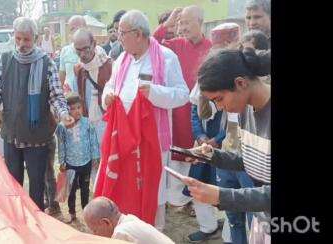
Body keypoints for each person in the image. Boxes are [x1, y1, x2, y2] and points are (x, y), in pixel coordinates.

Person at [96, 10, 190, 231]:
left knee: (153, 192)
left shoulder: (166, 58)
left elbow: (182, 94)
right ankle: (127, 230)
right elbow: (111, 85)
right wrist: (107, 96)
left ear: (138, 34)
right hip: (124, 138)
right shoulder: (122, 59)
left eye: (122, 33)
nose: (119, 38)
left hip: (152, 141)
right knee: (125, 187)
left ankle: (153, 232)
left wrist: (154, 92)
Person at [0, 17, 75, 211]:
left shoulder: (46, 63)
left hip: (37, 139)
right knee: (13, 186)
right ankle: (18, 226)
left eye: (26, 39)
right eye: (18, 39)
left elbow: (56, 96)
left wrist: (64, 113)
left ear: (35, 38)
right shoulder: (5, 59)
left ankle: (37, 227)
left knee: (36, 188)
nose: (22, 44)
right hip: (12, 136)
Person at [183, 47, 271, 244]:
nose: (220, 107)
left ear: (240, 83)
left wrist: (221, 196)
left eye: (219, 99)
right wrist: (212, 155)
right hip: (262, 221)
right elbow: (253, 162)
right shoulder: (245, 111)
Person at [153, 5, 212, 221]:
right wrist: (165, 25)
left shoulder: (211, 46)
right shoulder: (177, 45)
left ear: (200, 22)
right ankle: (180, 200)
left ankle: (201, 208)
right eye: (180, 23)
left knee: (199, 161)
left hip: (203, 114)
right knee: (177, 157)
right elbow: (151, 44)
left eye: (187, 22)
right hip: (178, 113)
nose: (182, 27)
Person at [72, 29, 113, 185]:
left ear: (94, 44)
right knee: (93, 158)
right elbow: (79, 95)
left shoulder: (109, 65)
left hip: (107, 120)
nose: (82, 54)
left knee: (108, 157)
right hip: (89, 119)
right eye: (78, 50)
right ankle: (97, 192)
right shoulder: (79, 69)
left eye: (86, 48)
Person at [56, 93, 100, 223]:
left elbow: (93, 141)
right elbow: (61, 145)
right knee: (71, 190)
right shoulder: (62, 126)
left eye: (79, 107)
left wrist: (95, 157)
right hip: (70, 165)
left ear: (82, 108)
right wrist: (62, 162)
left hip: (86, 163)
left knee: (85, 189)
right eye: (73, 109)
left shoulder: (87, 123)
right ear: (67, 110)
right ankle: (72, 213)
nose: (76, 111)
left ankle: (86, 212)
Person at [83, 196, 175, 244]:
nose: (94, 235)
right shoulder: (129, 219)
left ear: (106, 222)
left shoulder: (120, 234)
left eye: (94, 230)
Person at [59, 15, 87, 91]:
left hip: (90, 98)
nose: (76, 31)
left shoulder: (96, 50)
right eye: (72, 29)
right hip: (70, 98)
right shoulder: (65, 51)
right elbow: (62, 76)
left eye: (78, 28)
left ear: (86, 29)